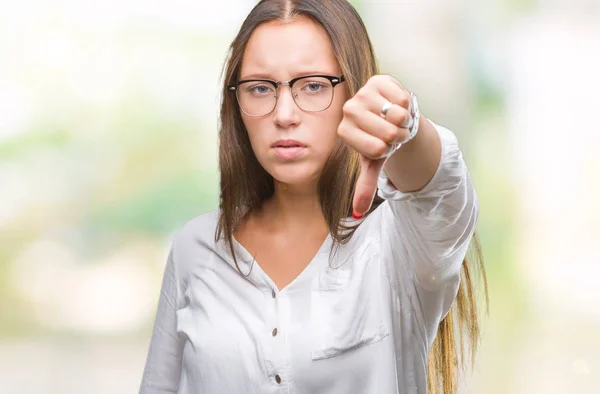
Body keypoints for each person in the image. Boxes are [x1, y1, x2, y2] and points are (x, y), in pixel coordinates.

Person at [139, 0, 488, 393]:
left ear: (351, 93)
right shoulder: (196, 248)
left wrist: (404, 126)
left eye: (314, 86)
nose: (284, 113)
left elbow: (441, 189)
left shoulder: (399, 242)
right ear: (236, 105)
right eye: (259, 88)